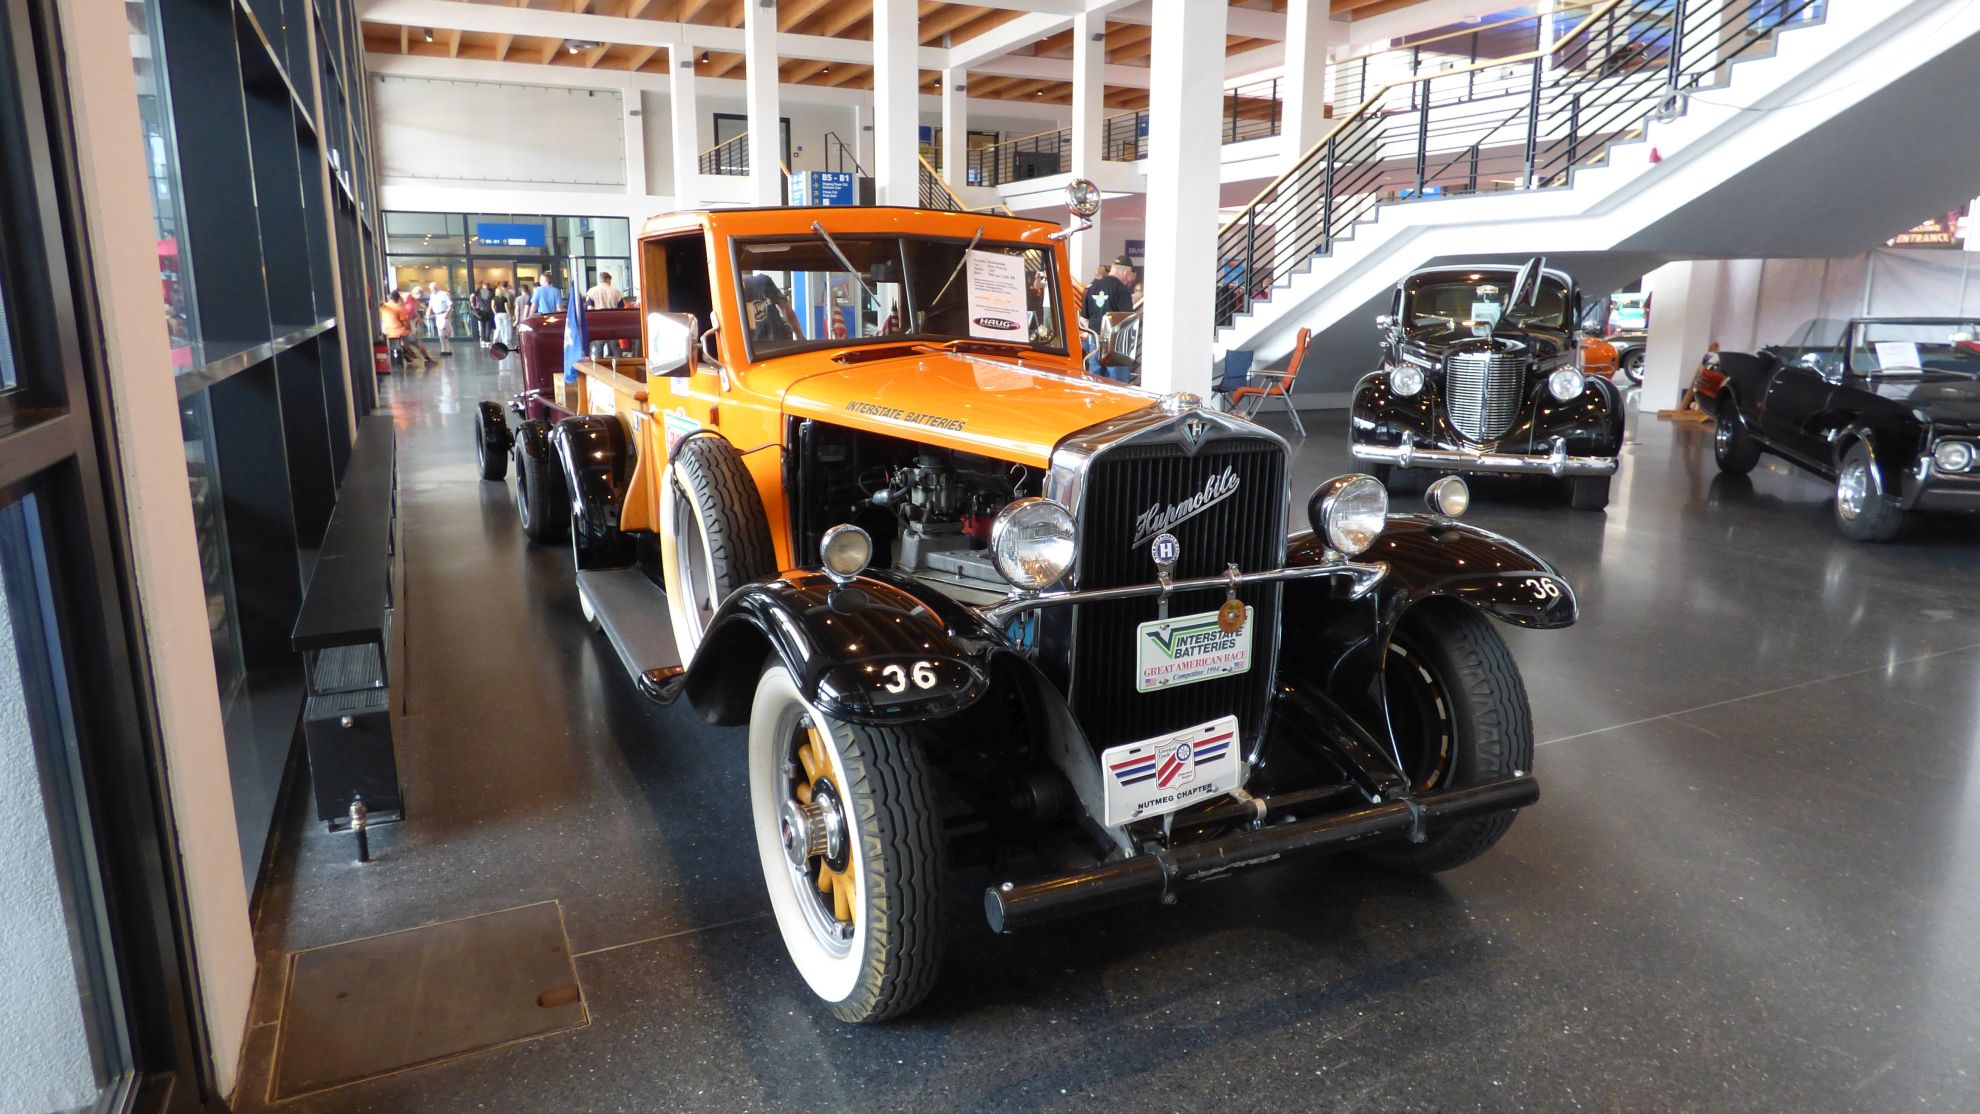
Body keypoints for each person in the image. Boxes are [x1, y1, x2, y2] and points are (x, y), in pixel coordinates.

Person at [1082, 256, 1136, 378]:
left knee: (1096, 382)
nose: (1129, 280)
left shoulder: (1092, 287)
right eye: (1129, 275)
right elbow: (1127, 318)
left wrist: (1096, 335)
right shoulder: (1121, 289)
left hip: (1094, 343)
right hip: (1116, 345)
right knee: (1117, 384)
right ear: (1125, 272)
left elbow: (1084, 318)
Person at [742, 272, 801, 344]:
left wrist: (800, 337)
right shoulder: (732, 302)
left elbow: (786, 308)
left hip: (779, 342)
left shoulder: (763, 282)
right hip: (756, 347)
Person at [380, 289, 432, 366]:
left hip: (388, 332)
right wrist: (410, 329)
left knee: (401, 344)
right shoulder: (399, 308)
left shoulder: (383, 307)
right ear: (398, 299)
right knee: (417, 342)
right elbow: (405, 322)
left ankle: (405, 353)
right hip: (400, 331)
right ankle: (426, 358)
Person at [427, 284, 454, 355]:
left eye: (433, 288)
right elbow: (430, 305)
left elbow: (450, 305)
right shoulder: (432, 295)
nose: (432, 290)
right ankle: (447, 349)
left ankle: (444, 349)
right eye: (431, 289)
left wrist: (447, 314)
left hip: (444, 314)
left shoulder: (443, 294)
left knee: (443, 331)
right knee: (441, 332)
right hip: (437, 315)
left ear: (436, 287)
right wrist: (429, 311)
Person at [491, 283, 514, 349]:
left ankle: (495, 339)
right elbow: (506, 307)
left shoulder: (494, 298)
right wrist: (509, 314)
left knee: (498, 328)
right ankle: (505, 341)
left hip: (497, 314)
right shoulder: (504, 298)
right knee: (506, 327)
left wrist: (495, 312)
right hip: (504, 314)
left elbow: (492, 306)